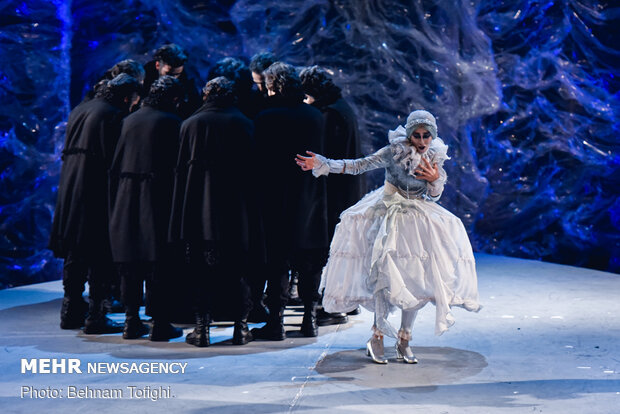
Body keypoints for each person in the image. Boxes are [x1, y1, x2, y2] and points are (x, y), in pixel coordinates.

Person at [296, 109, 481, 364]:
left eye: (426, 135)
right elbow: (359, 165)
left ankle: (405, 338)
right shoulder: (394, 152)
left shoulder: (435, 156)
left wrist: (436, 179)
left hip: (416, 218)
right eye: (417, 135)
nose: (422, 141)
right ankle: (378, 336)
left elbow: (435, 195)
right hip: (386, 215)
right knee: (383, 276)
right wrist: (324, 164)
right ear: (409, 134)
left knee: (414, 278)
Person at [49, 74, 141, 334]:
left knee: (75, 252)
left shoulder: (81, 109)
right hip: (97, 189)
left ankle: (70, 309)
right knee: (100, 253)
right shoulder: (114, 115)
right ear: (126, 97)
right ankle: (96, 315)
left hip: (71, 186)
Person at [169, 77, 256, 347]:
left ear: (205, 95)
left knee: (200, 270)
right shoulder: (244, 123)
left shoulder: (190, 125)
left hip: (198, 210)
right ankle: (240, 329)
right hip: (236, 211)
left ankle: (202, 329)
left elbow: (180, 173)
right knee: (239, 269)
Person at [252, 62, 329, 340]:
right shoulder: (315, 116)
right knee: (310, 259)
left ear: (272, 86)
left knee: (276, 261)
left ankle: (276, 322)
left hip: (275, 197)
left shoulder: (265, 117)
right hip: (310, 196)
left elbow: (258, 162)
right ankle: (309, 320)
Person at [108, 76, 184, 341]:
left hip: (127, 197)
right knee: (159, 262)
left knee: (130, 261)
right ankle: (160, 323)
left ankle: (131, 320)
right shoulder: (173, 123)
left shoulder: (129, 121)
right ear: (173, 99)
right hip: (158, 198)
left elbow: (116, 164)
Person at [299, 65, 366, 326]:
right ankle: (345, 303)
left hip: (335, 190)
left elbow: (323, 155)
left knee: (331, 248)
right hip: (346, 187)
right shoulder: (342, 107)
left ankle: (334, 306)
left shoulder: (329, 114)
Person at [143, 43, 201, 119]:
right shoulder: (143, 79)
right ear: (157, 65)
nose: (173, 78)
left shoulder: (188, 85)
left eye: (177, 74)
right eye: (168, 74)